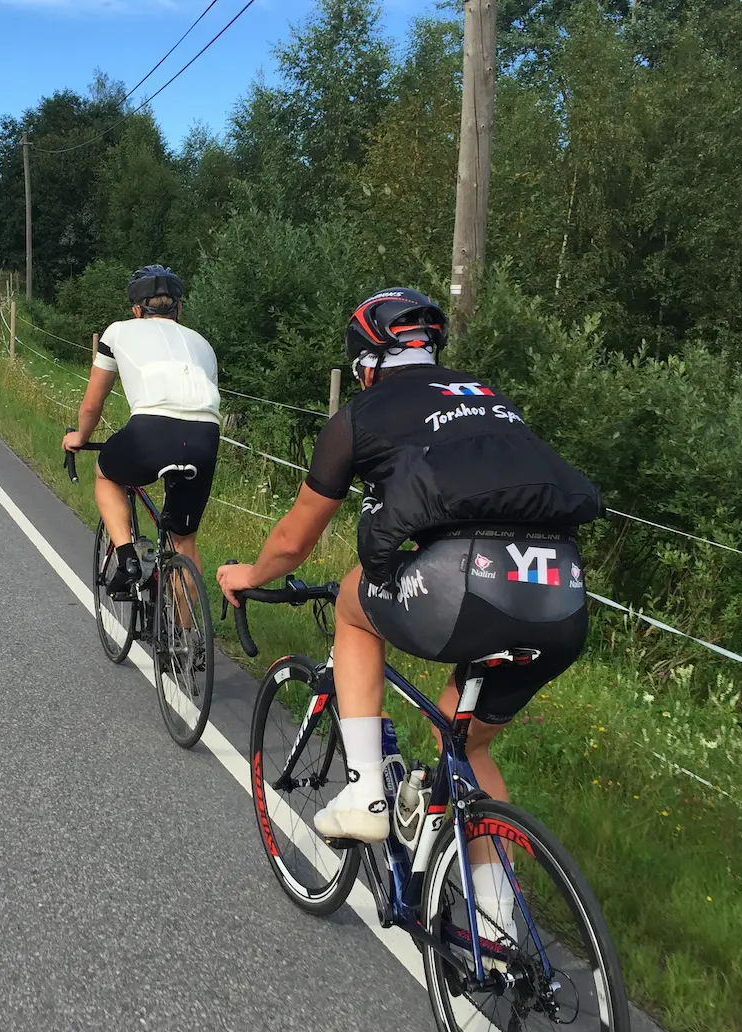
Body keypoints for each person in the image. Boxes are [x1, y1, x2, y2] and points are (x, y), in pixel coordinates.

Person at [217, 287, 600, 936]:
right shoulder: (485, 396)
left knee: (351, 601)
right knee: (466, 749)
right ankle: (498, 926)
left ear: (366, 359)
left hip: (468, 582)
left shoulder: (362, 413)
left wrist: (248, 574)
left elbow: (294, 538)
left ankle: (367, 787)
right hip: (562, 593)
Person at [63, 265, 222, 597]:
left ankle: (126, 559)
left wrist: (79, 436)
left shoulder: (119, 332)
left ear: (137, 310)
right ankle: (187, 643)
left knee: (107, 474)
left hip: (151, 429)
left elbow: (93, 405)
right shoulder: (203, 344)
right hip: (205, 436)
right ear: (179, 308)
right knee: (184, 541)